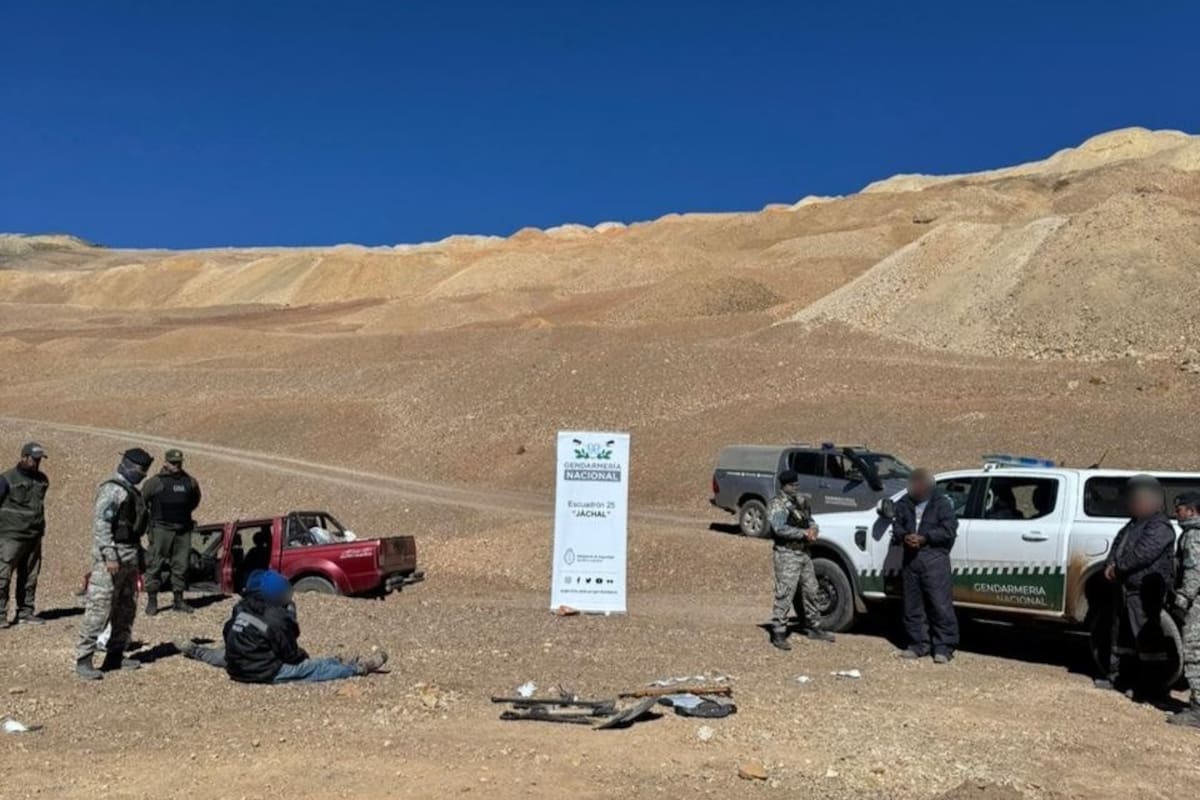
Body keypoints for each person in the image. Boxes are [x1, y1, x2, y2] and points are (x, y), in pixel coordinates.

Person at [221, 569, 387, 683]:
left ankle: (336, 661)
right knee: (314, 669)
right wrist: (292, 627)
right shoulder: (275, 617)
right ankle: (358, 669)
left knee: (312, 664)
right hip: (260, 672)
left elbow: (227, 632)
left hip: (236, 668)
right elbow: (290, 655)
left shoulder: (242, 607)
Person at [75, 448, 154, 680]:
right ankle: (84, 659)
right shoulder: (112, 490)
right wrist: (109, 555)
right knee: (99, 609)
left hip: (130, 557)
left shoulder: (132, 492)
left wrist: (140, 557)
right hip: (111, 560)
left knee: (126, 609)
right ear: (128, 466)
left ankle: (115, 655)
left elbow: (133, 530)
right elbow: (101, 525)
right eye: (140, 470)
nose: (142, 475)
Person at [1095, 474, 1175, 694]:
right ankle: (1119, 678)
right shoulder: (1133, 524)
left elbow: (1144, 554)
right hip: (1125, 588)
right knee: (1121, 637)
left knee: (1146, 639)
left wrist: (1118, 567)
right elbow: (1118, 544)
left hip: (1144, 590)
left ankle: (1151, 687)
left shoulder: (1160, 526)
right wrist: (1111, 564)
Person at [892, 469, 959, 663]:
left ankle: (944, 647)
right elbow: (896, 527)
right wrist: (905, 536)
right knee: (912, 605)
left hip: (934, 557)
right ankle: (917, 643)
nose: (916, 488)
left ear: (928, 486)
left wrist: (925, 538)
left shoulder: (942, 504)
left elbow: (949, 530)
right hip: (911, 558)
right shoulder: (904, 504)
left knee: (940, 604)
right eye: (914, 484)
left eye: (920, 484)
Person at [766, 470, 834, 650]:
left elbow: (810, 520)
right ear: (785, 485)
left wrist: (813, 529)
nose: (796, 488)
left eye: (797, 484)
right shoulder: (777, 505)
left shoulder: (801, 502)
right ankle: (779, 631)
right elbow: (779, 528)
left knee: (811, 589)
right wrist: (803, 533)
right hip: (787, 553)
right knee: (785, 592)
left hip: (804, 553)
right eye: (792, 485)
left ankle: (813, 626)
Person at [141, 448, 202, 615]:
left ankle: (178, 600)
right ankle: (152, 601)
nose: (176, 465)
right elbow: (142, 502)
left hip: (182, 529)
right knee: (155, 564)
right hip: (161, 529)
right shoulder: (155, 482)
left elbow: (195, 500)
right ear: (165, 463)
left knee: (181, 565)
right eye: (173, 462)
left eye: (179, 462)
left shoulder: (190, 481)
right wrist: (148, 525)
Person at [0, 443, 50, 627]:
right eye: (34, 459)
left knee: (30, 576)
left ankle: (25, 612)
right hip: (10, 537)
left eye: (39, 460)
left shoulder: (42, 480)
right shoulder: (6, 479)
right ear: (24, 457)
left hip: (34, 536)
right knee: (2, 576)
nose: (37, 463)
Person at [1169, 491, 1200, 728]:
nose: (1175, 514)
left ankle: (1197, 709)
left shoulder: (1193, 536)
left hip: (1197, 604)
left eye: (1179, 510)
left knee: (1194, 652)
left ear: (1191, 511)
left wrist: (1183, 599)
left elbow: (1194, 572)